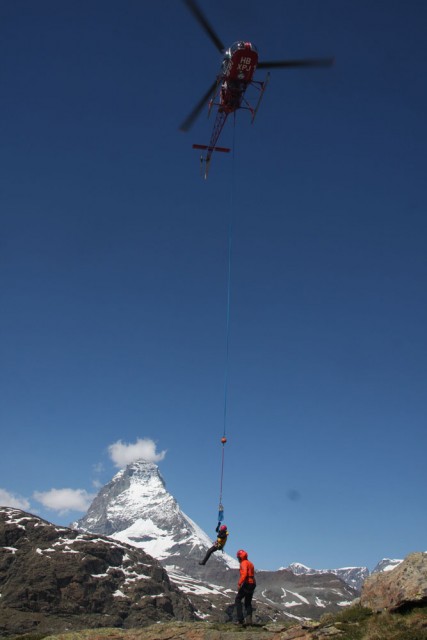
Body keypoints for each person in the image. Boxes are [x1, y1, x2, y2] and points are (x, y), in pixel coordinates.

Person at [235, 549, 256, 626]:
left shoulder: (243, 563)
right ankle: (249, 621)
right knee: (248, 602)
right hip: (253, 583)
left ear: (240, 557)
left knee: (238, 599)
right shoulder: (250, 563)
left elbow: (244, 574)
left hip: (247, 583)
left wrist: (239, 584)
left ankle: (240, 620)